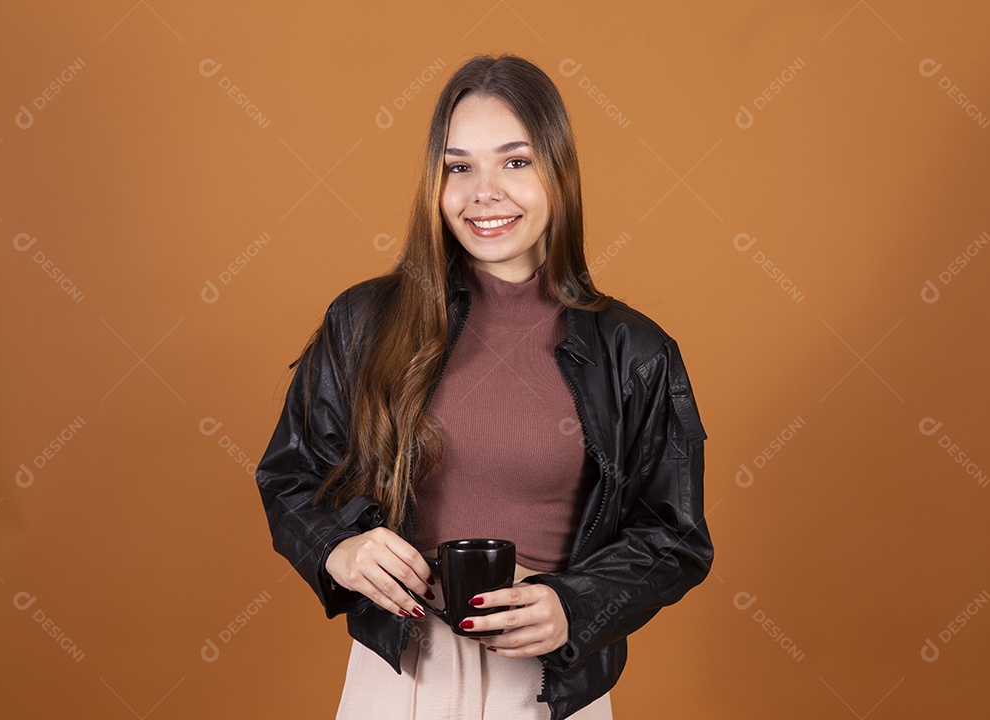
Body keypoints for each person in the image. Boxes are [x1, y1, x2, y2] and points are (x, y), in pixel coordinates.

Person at [255, 54, 713, 720]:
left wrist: (576, 604)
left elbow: (674, 535)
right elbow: (290, 477)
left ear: (559, 172)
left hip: (549, 688)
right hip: (400, 679)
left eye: (515, 162)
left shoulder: (636, 351)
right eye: (459, 167)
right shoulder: (363, 322)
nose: (484, 193)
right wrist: (337, 549)